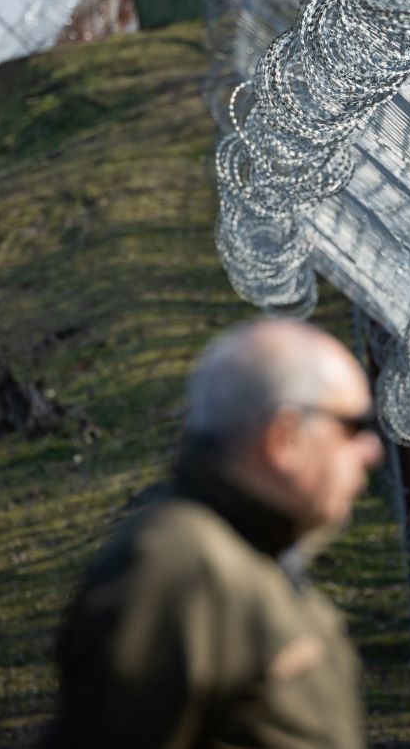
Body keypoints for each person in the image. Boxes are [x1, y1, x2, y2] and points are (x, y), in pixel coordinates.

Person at [45, 318, 385, 749]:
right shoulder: (180, 566)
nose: (371, 452)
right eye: (352, 428)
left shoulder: (252, 559)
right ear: (284, 439)